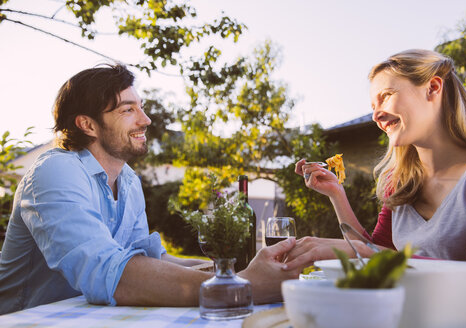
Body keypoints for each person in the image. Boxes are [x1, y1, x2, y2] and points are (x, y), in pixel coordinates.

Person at [0, 64, 300, 315]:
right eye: (127, 110)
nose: (146, 120)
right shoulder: (56, 172)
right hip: (29, 319)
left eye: (140, 107)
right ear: (87, 125)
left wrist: (226, 272)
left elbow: (148, 259)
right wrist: (244, 287)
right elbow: (110, 274)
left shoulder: (128, 180)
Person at [285, 49, 466, 269]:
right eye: (373, 107)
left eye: (386, 96)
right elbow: (378, 253)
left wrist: (368, 252)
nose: (376, 116)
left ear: (432, 88)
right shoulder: (399, 181)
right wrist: (336, 193)